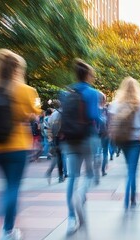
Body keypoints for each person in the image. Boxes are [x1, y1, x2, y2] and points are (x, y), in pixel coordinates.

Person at [0, 49, 42, 240]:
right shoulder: (27, 91)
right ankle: (8, 230)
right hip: (17, 145)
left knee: (7, 185)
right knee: (13, 187)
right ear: (18, 69)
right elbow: (37, 112)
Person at [62, 59, 100, 234]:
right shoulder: (92, 93)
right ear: (88, 75)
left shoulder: (66, 92)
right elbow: (94, 115)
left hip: (69, 138)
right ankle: (81, 195)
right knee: (90, 174)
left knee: (72, 177)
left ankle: (71, 219)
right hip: (86, 137)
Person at [109, 77, 140, 209]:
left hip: (122, 140)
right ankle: (130, 197)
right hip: (135, 139)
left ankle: (131, 196)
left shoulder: (116, 103)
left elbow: (111, 122)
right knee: (133, 169)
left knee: (129, 168)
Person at [45, 100, 66, 184]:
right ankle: (61, 175)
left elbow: (48, 127)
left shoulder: (53, 115)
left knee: (58, 156)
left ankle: (55, 173)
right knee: (61, 156)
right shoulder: (65, 113)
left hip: (55, 138)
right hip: (63, 138)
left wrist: (50, 139)